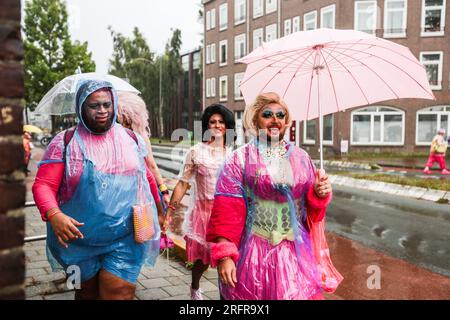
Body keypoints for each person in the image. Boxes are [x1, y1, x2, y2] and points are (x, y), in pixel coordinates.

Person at [32, 79, 161, 300]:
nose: (102, 111)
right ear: (81, 108)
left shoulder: (131, 139)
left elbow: (144, 175)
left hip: (125, 238)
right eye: (94, 106)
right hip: (77, 240)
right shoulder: (65, 142)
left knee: (119, 293)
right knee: (86, 294)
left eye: (107, 104)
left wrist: (160, 206)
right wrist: (54, 215)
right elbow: (43, 184)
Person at [206, 92, 343, 300]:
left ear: (286, 122)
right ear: (255, 120)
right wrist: (225, 254)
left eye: (280, 115)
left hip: (295, 255)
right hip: (253, 253)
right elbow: (226, 211)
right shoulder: (239, 159)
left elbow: (311, 214)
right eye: (267, 114)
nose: (274, 120)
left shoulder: (301, 158)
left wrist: (319, 194)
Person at [163, 104, 235, 300]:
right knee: (203, 260)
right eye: (212, 122)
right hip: (204, 214)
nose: (217, 125)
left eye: (221, 122)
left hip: (227, 214)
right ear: (206, 125)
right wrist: (169, 213)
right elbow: (182, 185)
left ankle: (226, 295)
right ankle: (195, 287)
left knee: (226, 257)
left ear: (227, 126)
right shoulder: (195, 152)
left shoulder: (233, 154)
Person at [116, 91, 171, 207]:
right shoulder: (136, 135)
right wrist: (163, 190)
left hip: (133, 191)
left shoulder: (137, 136)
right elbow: (151, 166)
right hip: (129, 190)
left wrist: (163, 190)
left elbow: (151, 166)